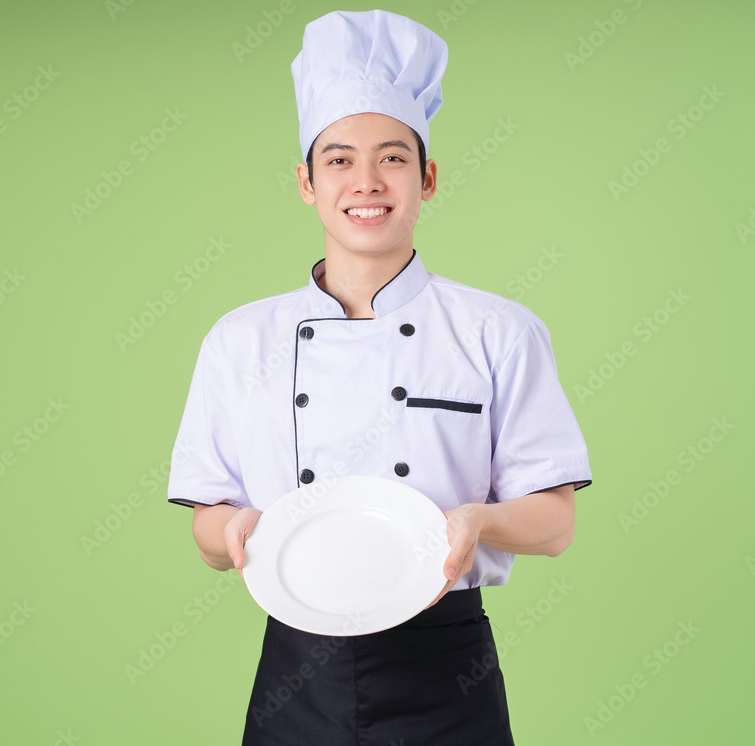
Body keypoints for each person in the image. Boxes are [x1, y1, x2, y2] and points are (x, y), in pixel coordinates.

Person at [167, 9, 592, 744]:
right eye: (338, 159)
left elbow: (555, 524)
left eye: (392, 158)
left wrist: (478, 522)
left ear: (427, 177)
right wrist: (233, 531)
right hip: (298, 675)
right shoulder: (240, 341)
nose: (366, 181)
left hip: (447, 668)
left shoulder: (498, 331)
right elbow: (208, 529)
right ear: (305, 181)